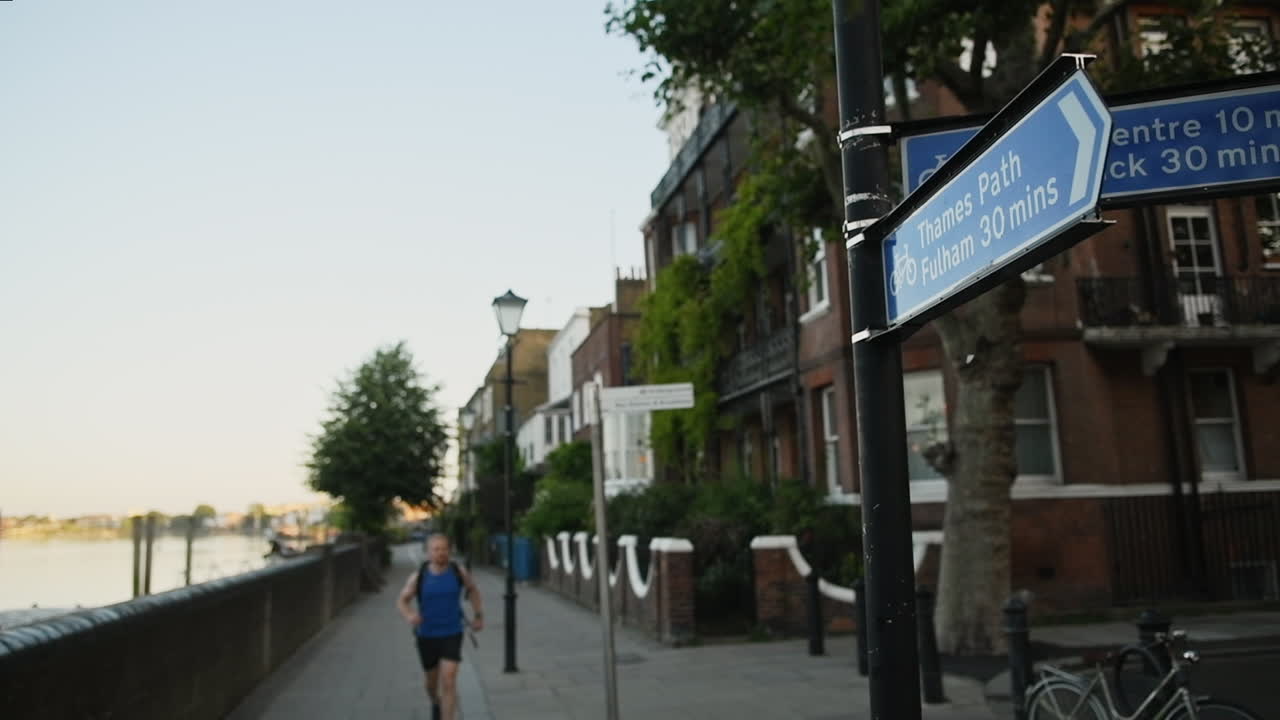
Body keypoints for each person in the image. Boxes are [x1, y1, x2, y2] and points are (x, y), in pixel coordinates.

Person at [396, 533, 482, 720]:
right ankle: (435, 701)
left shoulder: (458, 572)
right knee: (431, 684)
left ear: (449, 551)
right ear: (427, 553)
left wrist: (478, 615)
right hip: (426, 636)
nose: (441, 553)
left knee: (449, 680)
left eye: (444, 549)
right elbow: (402, 601)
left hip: (452, 632)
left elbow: (473, 590)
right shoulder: (418, 577)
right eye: (436, 549)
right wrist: (410, 615)